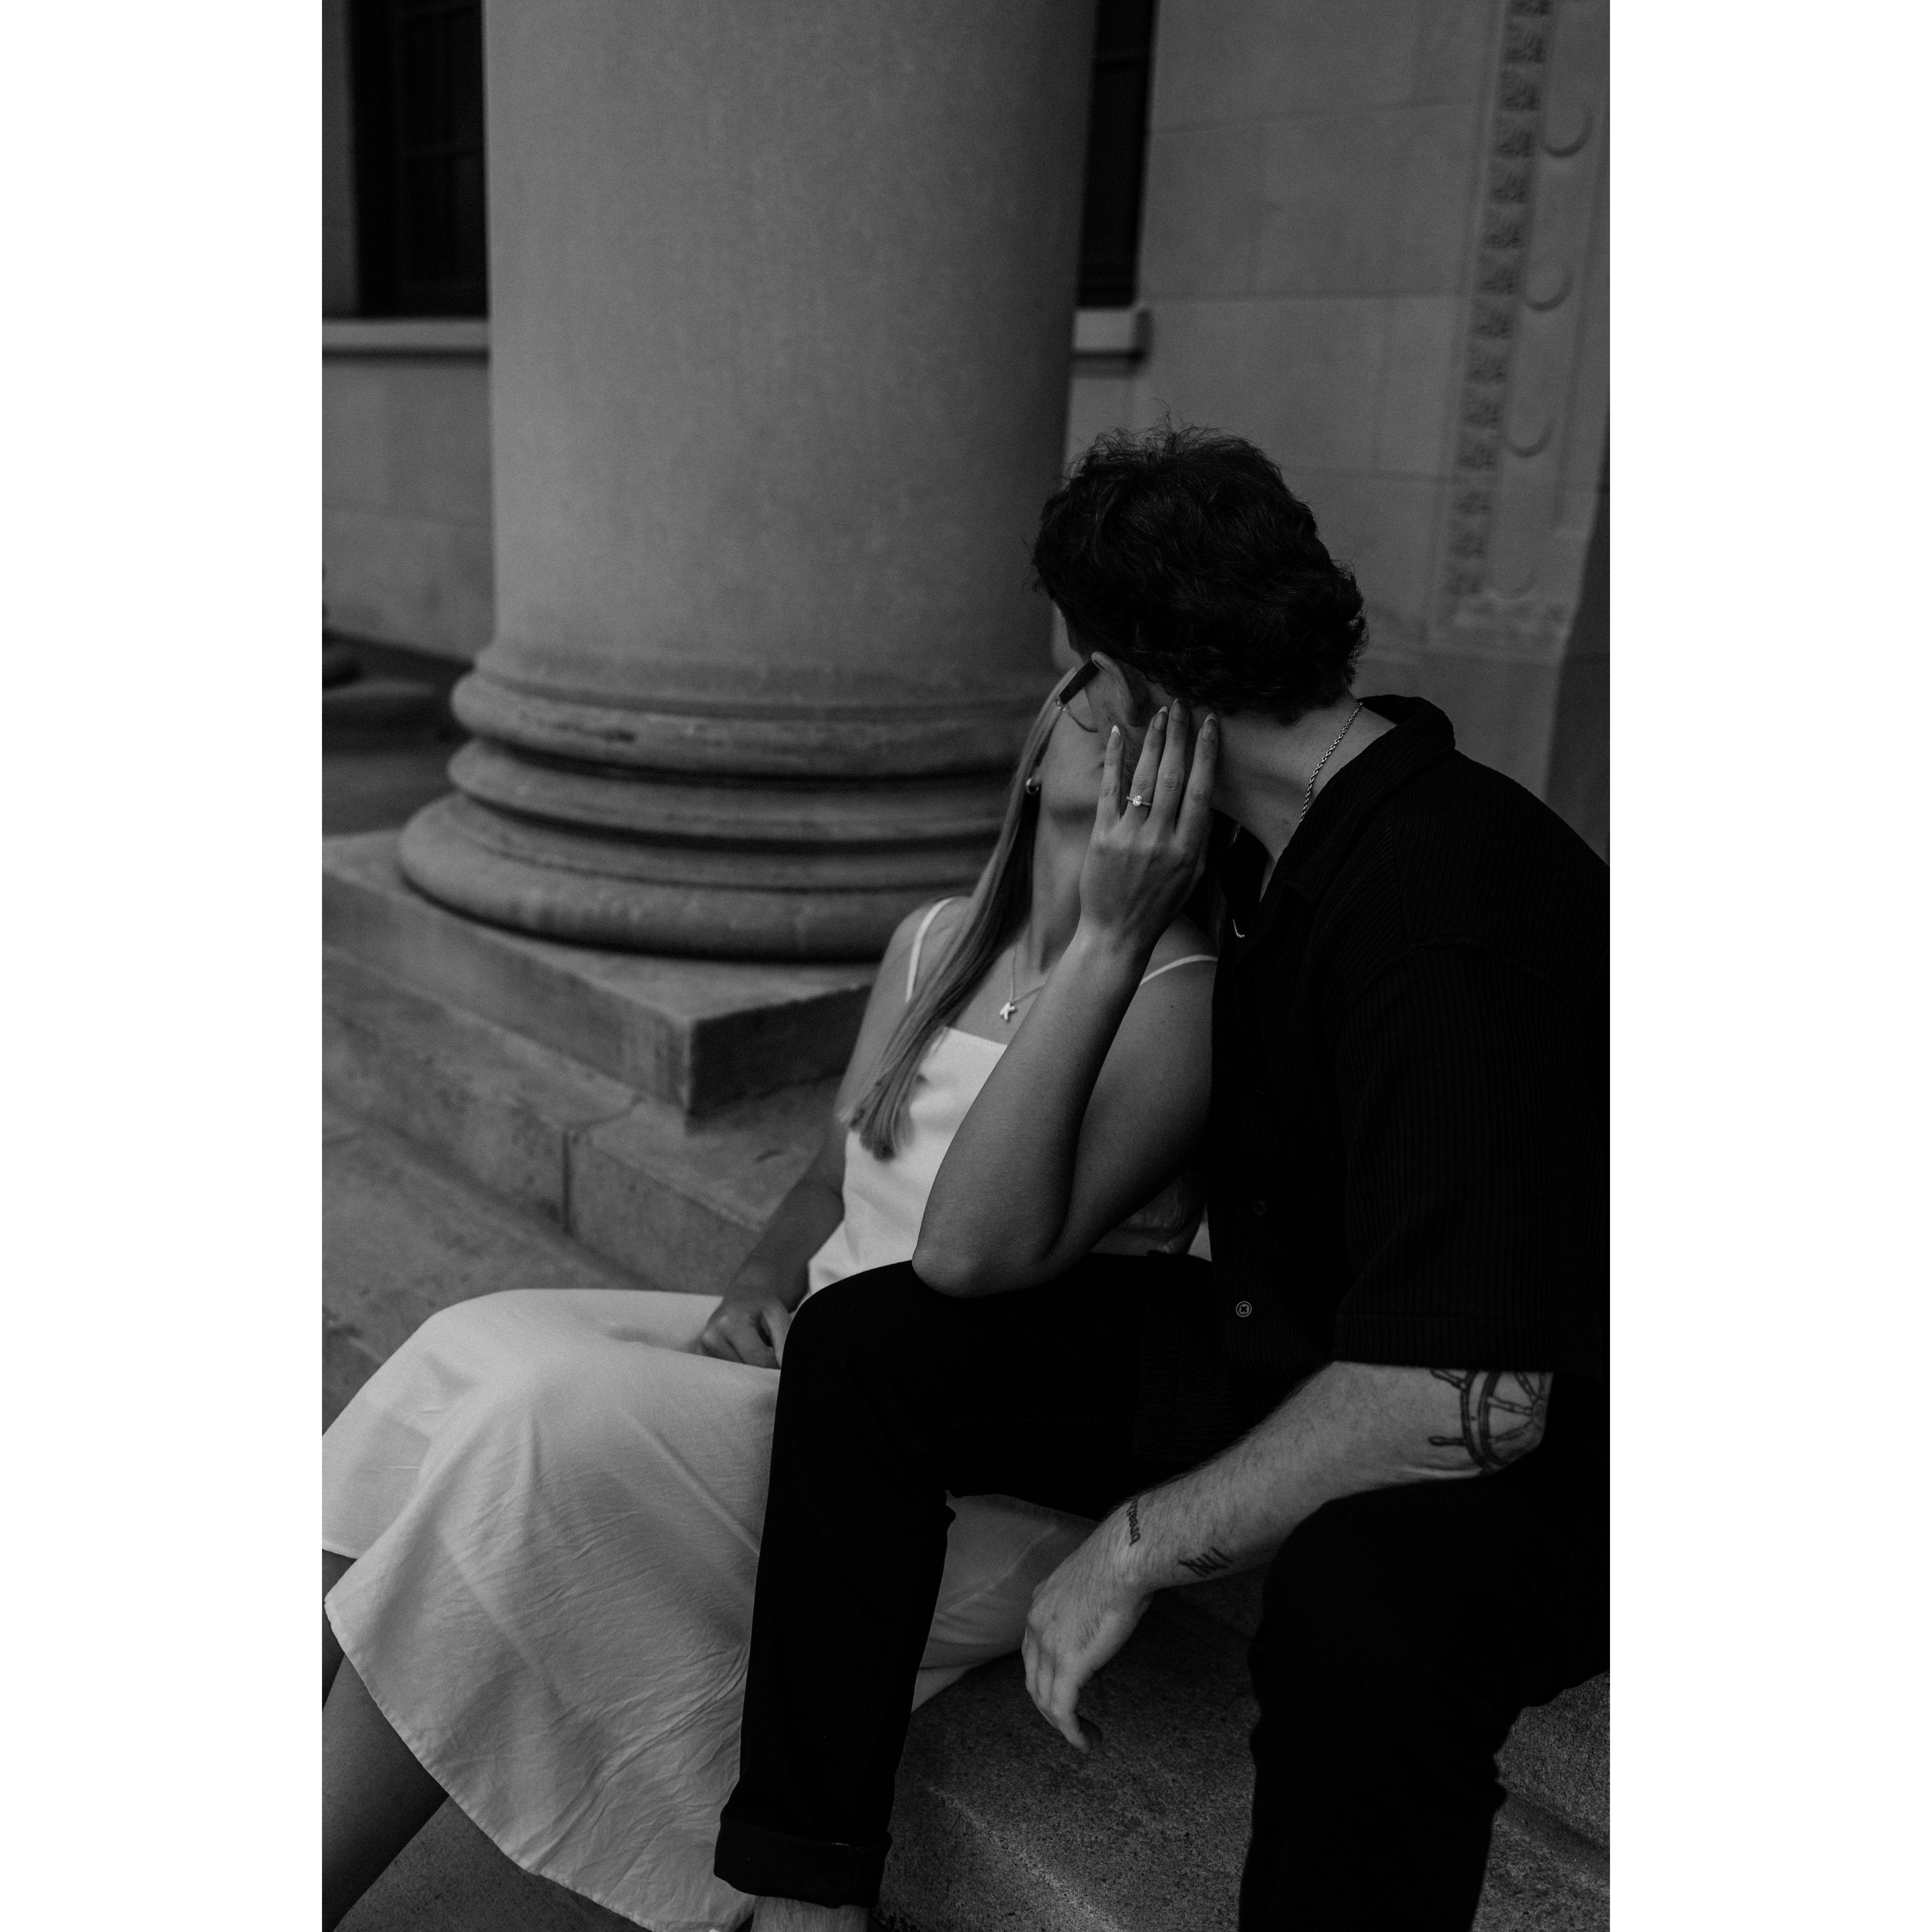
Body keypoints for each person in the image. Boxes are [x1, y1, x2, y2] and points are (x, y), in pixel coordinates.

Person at [714, 426, 1609, 1932]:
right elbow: (967, 1259)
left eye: (1088, 672)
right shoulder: (1264, 856)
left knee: (1362, 1622)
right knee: (870, 1344)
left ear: (1146, 693)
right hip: (1293, 1344)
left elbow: (1475, 1393)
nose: (1073, 704)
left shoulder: (1449, 903)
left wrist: (1135, 1546)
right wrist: (1111, 936)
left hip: (1542, 1432)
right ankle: (805, 1890)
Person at [320, 664, 1217, 1932]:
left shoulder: (1177, 995)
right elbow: (829, 1173)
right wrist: (755, 1283)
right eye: (1090, 685)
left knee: (537, 1428)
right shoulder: (934, 941)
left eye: (1159, 702)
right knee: (455, 1350)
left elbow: (982, 1259)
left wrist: (1115, 933)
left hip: (942, 1467)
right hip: (813, 1348)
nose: (1116, 713)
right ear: (1032, 744)